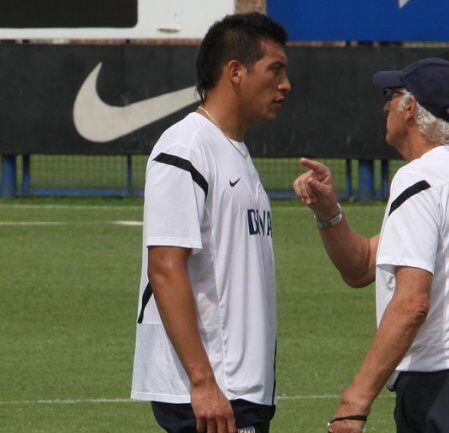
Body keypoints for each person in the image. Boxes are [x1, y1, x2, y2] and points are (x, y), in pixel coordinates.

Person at [293, 58, 449, 433]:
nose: (385, 105)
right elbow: (362, 265)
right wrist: (327, 211)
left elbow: (412, 302)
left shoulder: (419, 179)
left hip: (447, 388)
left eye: (392, 95)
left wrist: (354, 402)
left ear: (411, 107)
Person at [130, 12, 290, 433]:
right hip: (210, 392)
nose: (285, 85)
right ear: (235, 72)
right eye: (276, 70)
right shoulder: (185, 148)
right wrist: (203, 382)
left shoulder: (232, 149)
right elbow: (165, 268)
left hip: (241, 389)